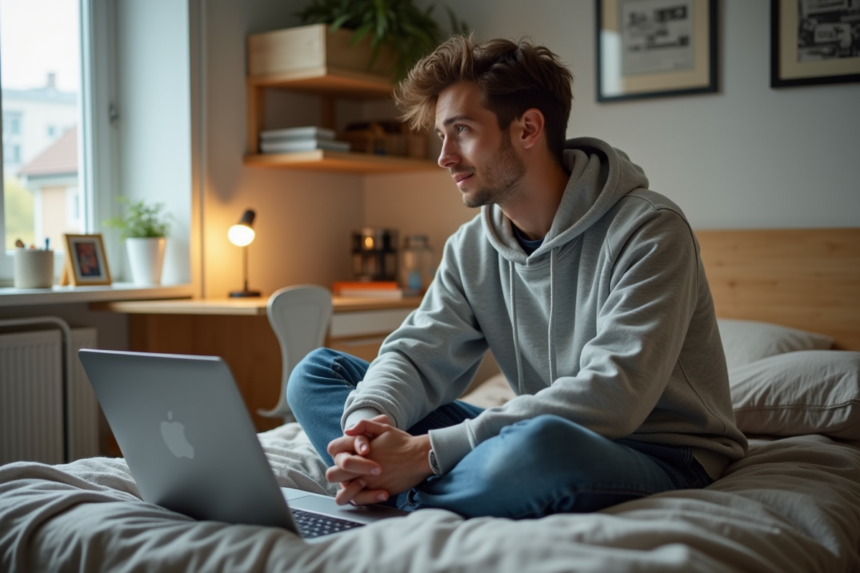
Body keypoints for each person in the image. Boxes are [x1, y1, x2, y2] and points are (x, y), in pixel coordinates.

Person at [287, 35, 747, 519]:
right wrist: (365, 434)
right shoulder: (473, 246)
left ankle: (403, 488)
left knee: (538, 452)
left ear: (528, 128)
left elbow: (614, 394)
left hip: (663, 453)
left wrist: (426, 453)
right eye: (442, 135)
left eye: (461, 130)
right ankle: (393, 479)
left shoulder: (650, 230)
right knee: (316, 375)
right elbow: (417, 354)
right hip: (534, 430)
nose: (444, 156)